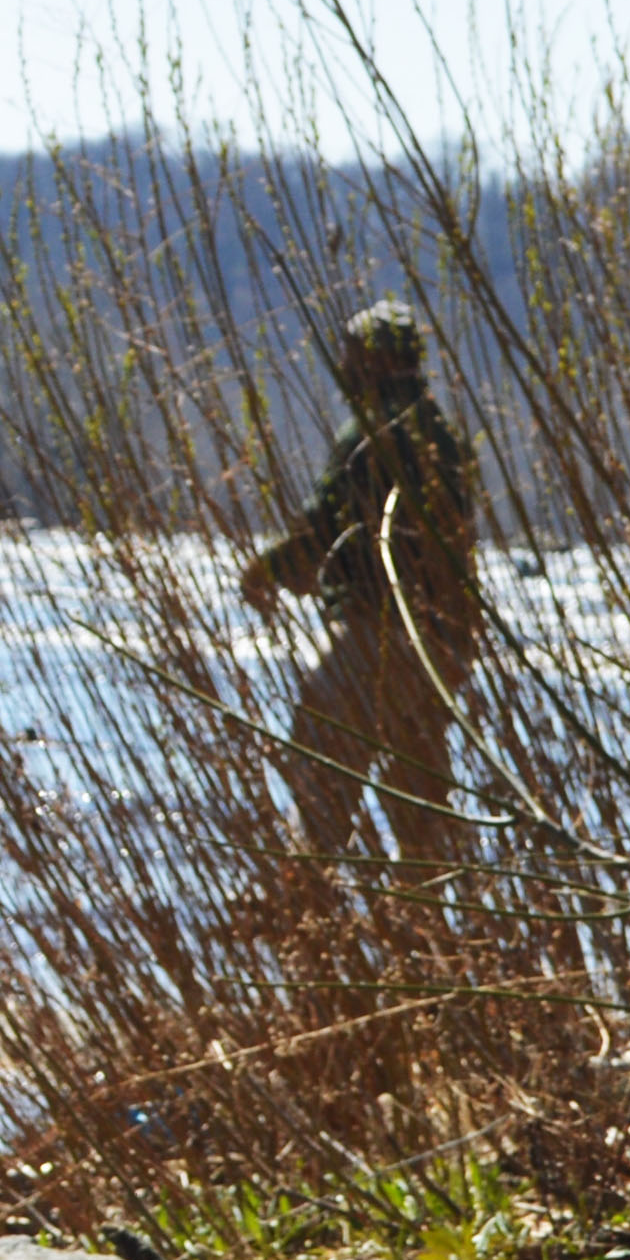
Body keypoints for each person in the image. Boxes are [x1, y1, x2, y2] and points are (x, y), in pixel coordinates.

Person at [245, 298, 482, 876]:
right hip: (443, 642)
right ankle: (428, 914)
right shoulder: (441, 435)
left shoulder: (371, 432)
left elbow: (326, 524)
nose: (345, 368)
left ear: (369, 364)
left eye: (351, 357)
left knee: (318, 757)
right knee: (419, 786)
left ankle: (317, 893)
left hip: (378, 635)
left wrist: (266, 573)